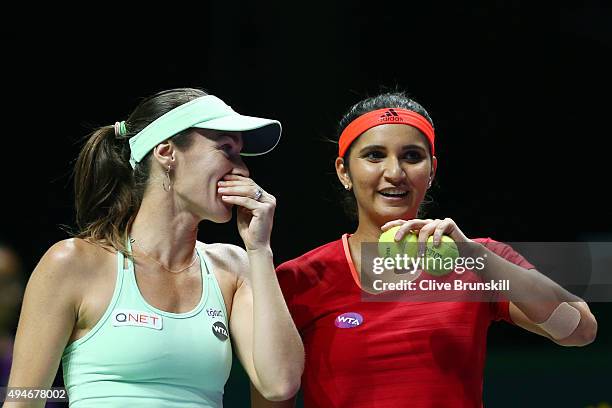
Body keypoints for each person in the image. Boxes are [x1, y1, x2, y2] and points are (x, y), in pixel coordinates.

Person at [253, 92, 598, 407]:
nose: (395, 172)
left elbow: (578, 331)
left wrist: (476, 257)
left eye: (412, 157)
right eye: (374, 155)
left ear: (432, 170)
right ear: (344, 171)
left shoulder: (481, 259)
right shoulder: (298, 279)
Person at [5, 88, 304, 407]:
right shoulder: (73, 262)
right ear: (166, 152)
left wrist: (260, 249)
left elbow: (280, 384)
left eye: (241, 156)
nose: (242, 170)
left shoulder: (234, 267)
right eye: (226, 149)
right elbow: (23, 399)